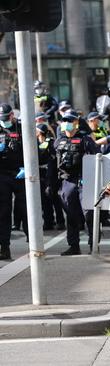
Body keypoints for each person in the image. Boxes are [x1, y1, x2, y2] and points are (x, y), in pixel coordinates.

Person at [54, 110, 100, 255]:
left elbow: (96, 160)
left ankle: (93, 245)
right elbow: (53, 164)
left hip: (83, 180)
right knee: (71, 215)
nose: (66, 123)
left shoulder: (85, 140)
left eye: (70, 121)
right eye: (64, 121)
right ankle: (74, 246)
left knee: (89, 214)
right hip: (67, 181)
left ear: (76, 123)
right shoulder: (58, 141)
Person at [0, 104, 28, 260]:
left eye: (6, 118)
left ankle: (34, 245)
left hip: (20, 174)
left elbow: (33, 149)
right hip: (2, 175)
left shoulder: (21, 128)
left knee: (26, 210)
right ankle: (4, 247)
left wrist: (27, 167)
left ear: (12, 115)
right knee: (3, 213)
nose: (4, 121)